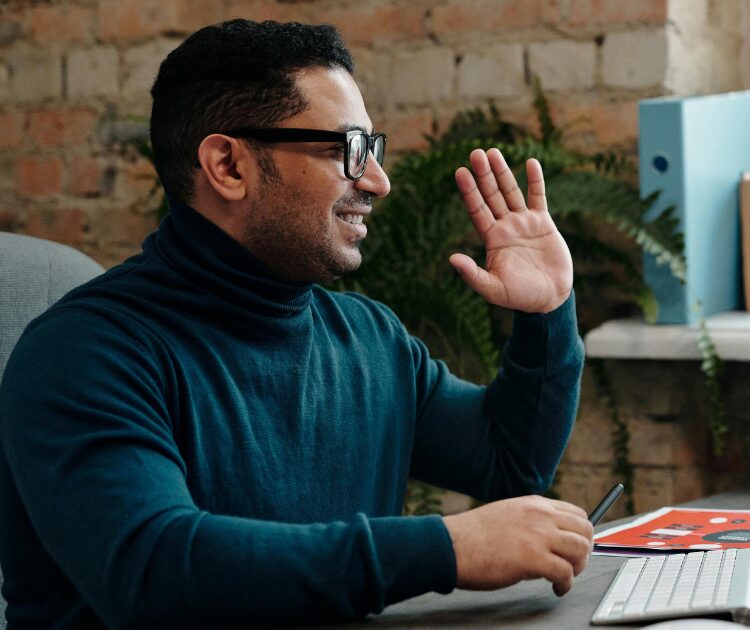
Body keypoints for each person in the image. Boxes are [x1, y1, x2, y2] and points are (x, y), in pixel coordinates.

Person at [0, 19, 591, 628]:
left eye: (373, 149)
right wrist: (445, 548)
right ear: (228, 165)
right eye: (347, 150)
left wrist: (545, 311)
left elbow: (508, 461)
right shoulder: (83, 354)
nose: (377, 181)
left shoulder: (369, 338)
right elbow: (154, 570)